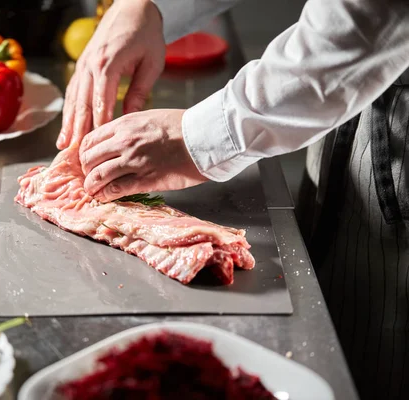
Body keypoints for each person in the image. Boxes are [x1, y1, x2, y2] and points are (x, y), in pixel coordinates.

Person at [58, 0, 409, 398]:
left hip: (397, 118)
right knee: (335, 321)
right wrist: (149, 6)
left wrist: (202, 136)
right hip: (346, 100)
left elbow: (370, 18)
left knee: (378, 361)